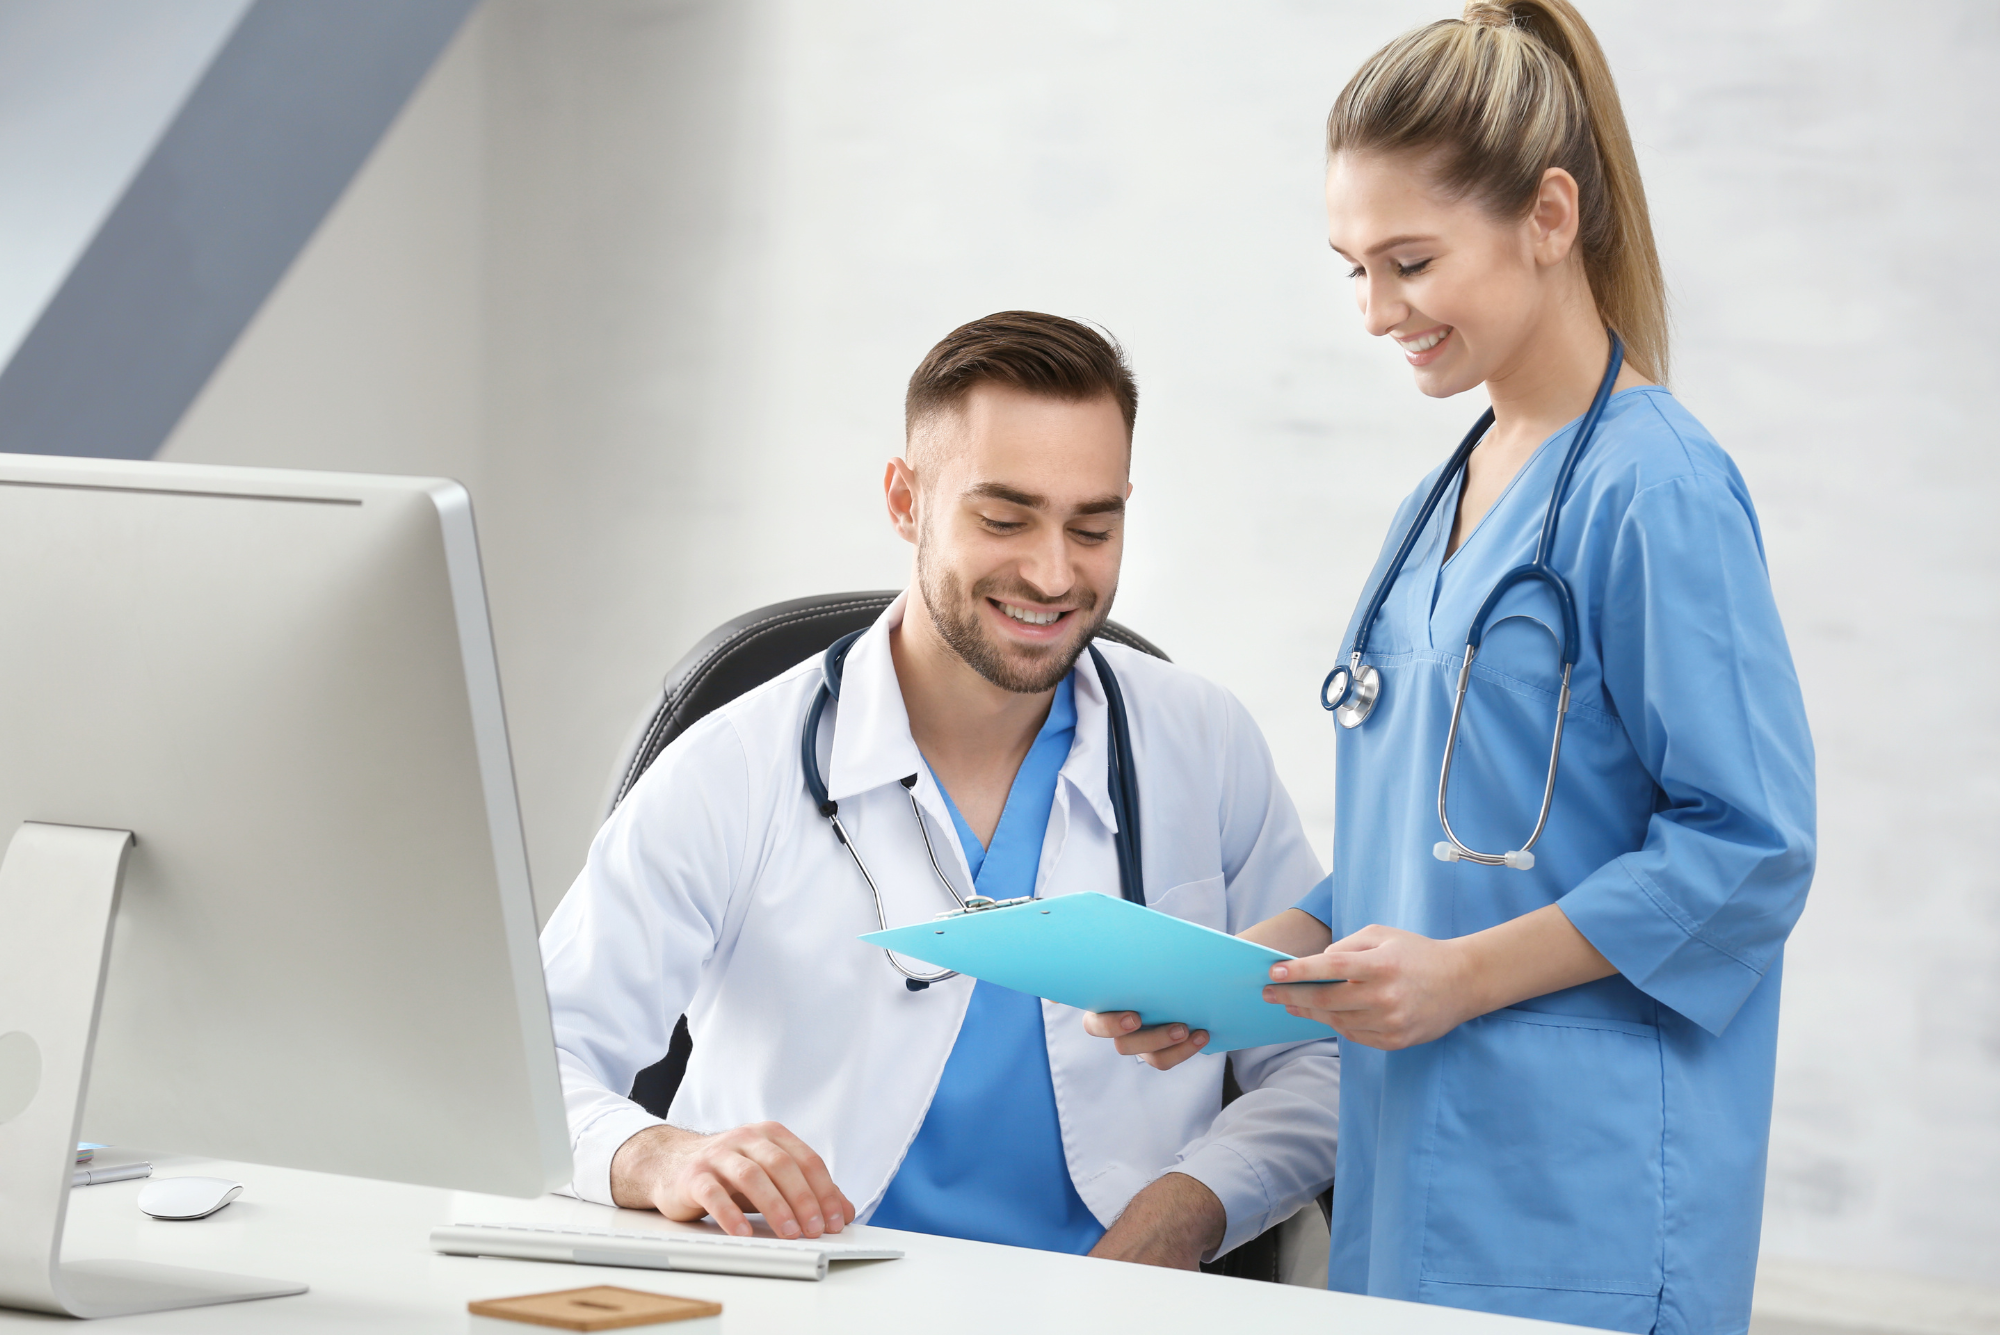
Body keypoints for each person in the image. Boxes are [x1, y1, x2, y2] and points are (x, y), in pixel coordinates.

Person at [1087, 5, 1815, 1331]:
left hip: (1583, 1208)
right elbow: (1424, 858)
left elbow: (1750, 848)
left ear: (1549, 214)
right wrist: (1237, 973)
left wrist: (1466, 976)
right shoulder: (1444, 498)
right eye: (1352, 267)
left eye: (1410, 262)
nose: (1375, 312)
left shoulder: (1657, 489)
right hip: (1418, 1186)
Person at [540, 311, 1338, 1269]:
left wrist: (1192, 1203)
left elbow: (1320, 1049)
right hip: (810, 1300)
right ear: (905, 500)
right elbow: (533, 1058)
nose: (1052, 573)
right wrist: (653, 1151)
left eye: (1093, 526)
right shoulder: (738, 767)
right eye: (1003, 519)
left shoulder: (1201, 745)